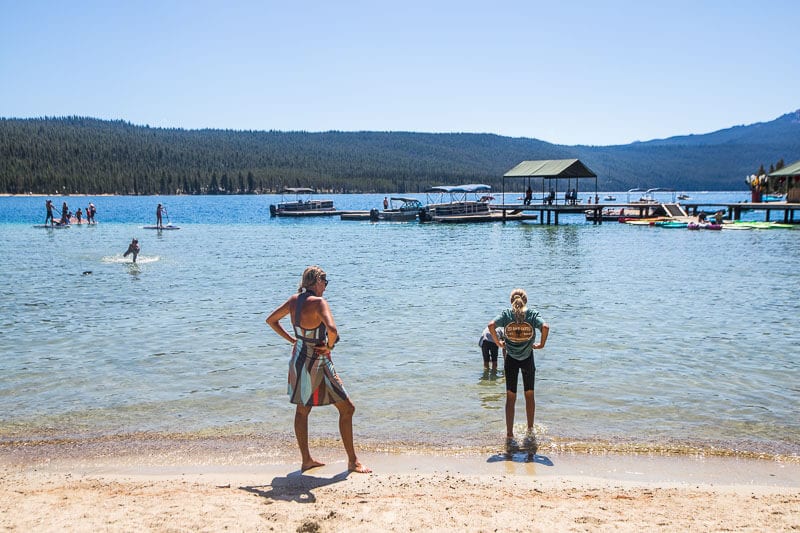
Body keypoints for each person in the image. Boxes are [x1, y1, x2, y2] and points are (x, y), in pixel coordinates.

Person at [266, 266, 371, 474]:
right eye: (325, 282)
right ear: (316, 282)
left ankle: (306, 460)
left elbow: (271, 320)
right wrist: (330, 346)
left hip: (299, 359)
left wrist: (292, 340)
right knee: (347, 408)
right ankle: (353, 462)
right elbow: (332, 330)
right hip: (319, 361)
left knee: (302, 410)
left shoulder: (294, 301)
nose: (325, 287)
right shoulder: (319, 303)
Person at [488, 288, 549, 452]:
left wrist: (498, 343)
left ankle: (509, 434)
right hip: (528, 358)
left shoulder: (507, 314)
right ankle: (530, 431)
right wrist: (541, 344)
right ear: (525, 301)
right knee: (529, 395)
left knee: (510, 397)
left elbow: (491, 325)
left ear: (511, 301)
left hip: (511, 360)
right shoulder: (533, 315)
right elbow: (545, 327)